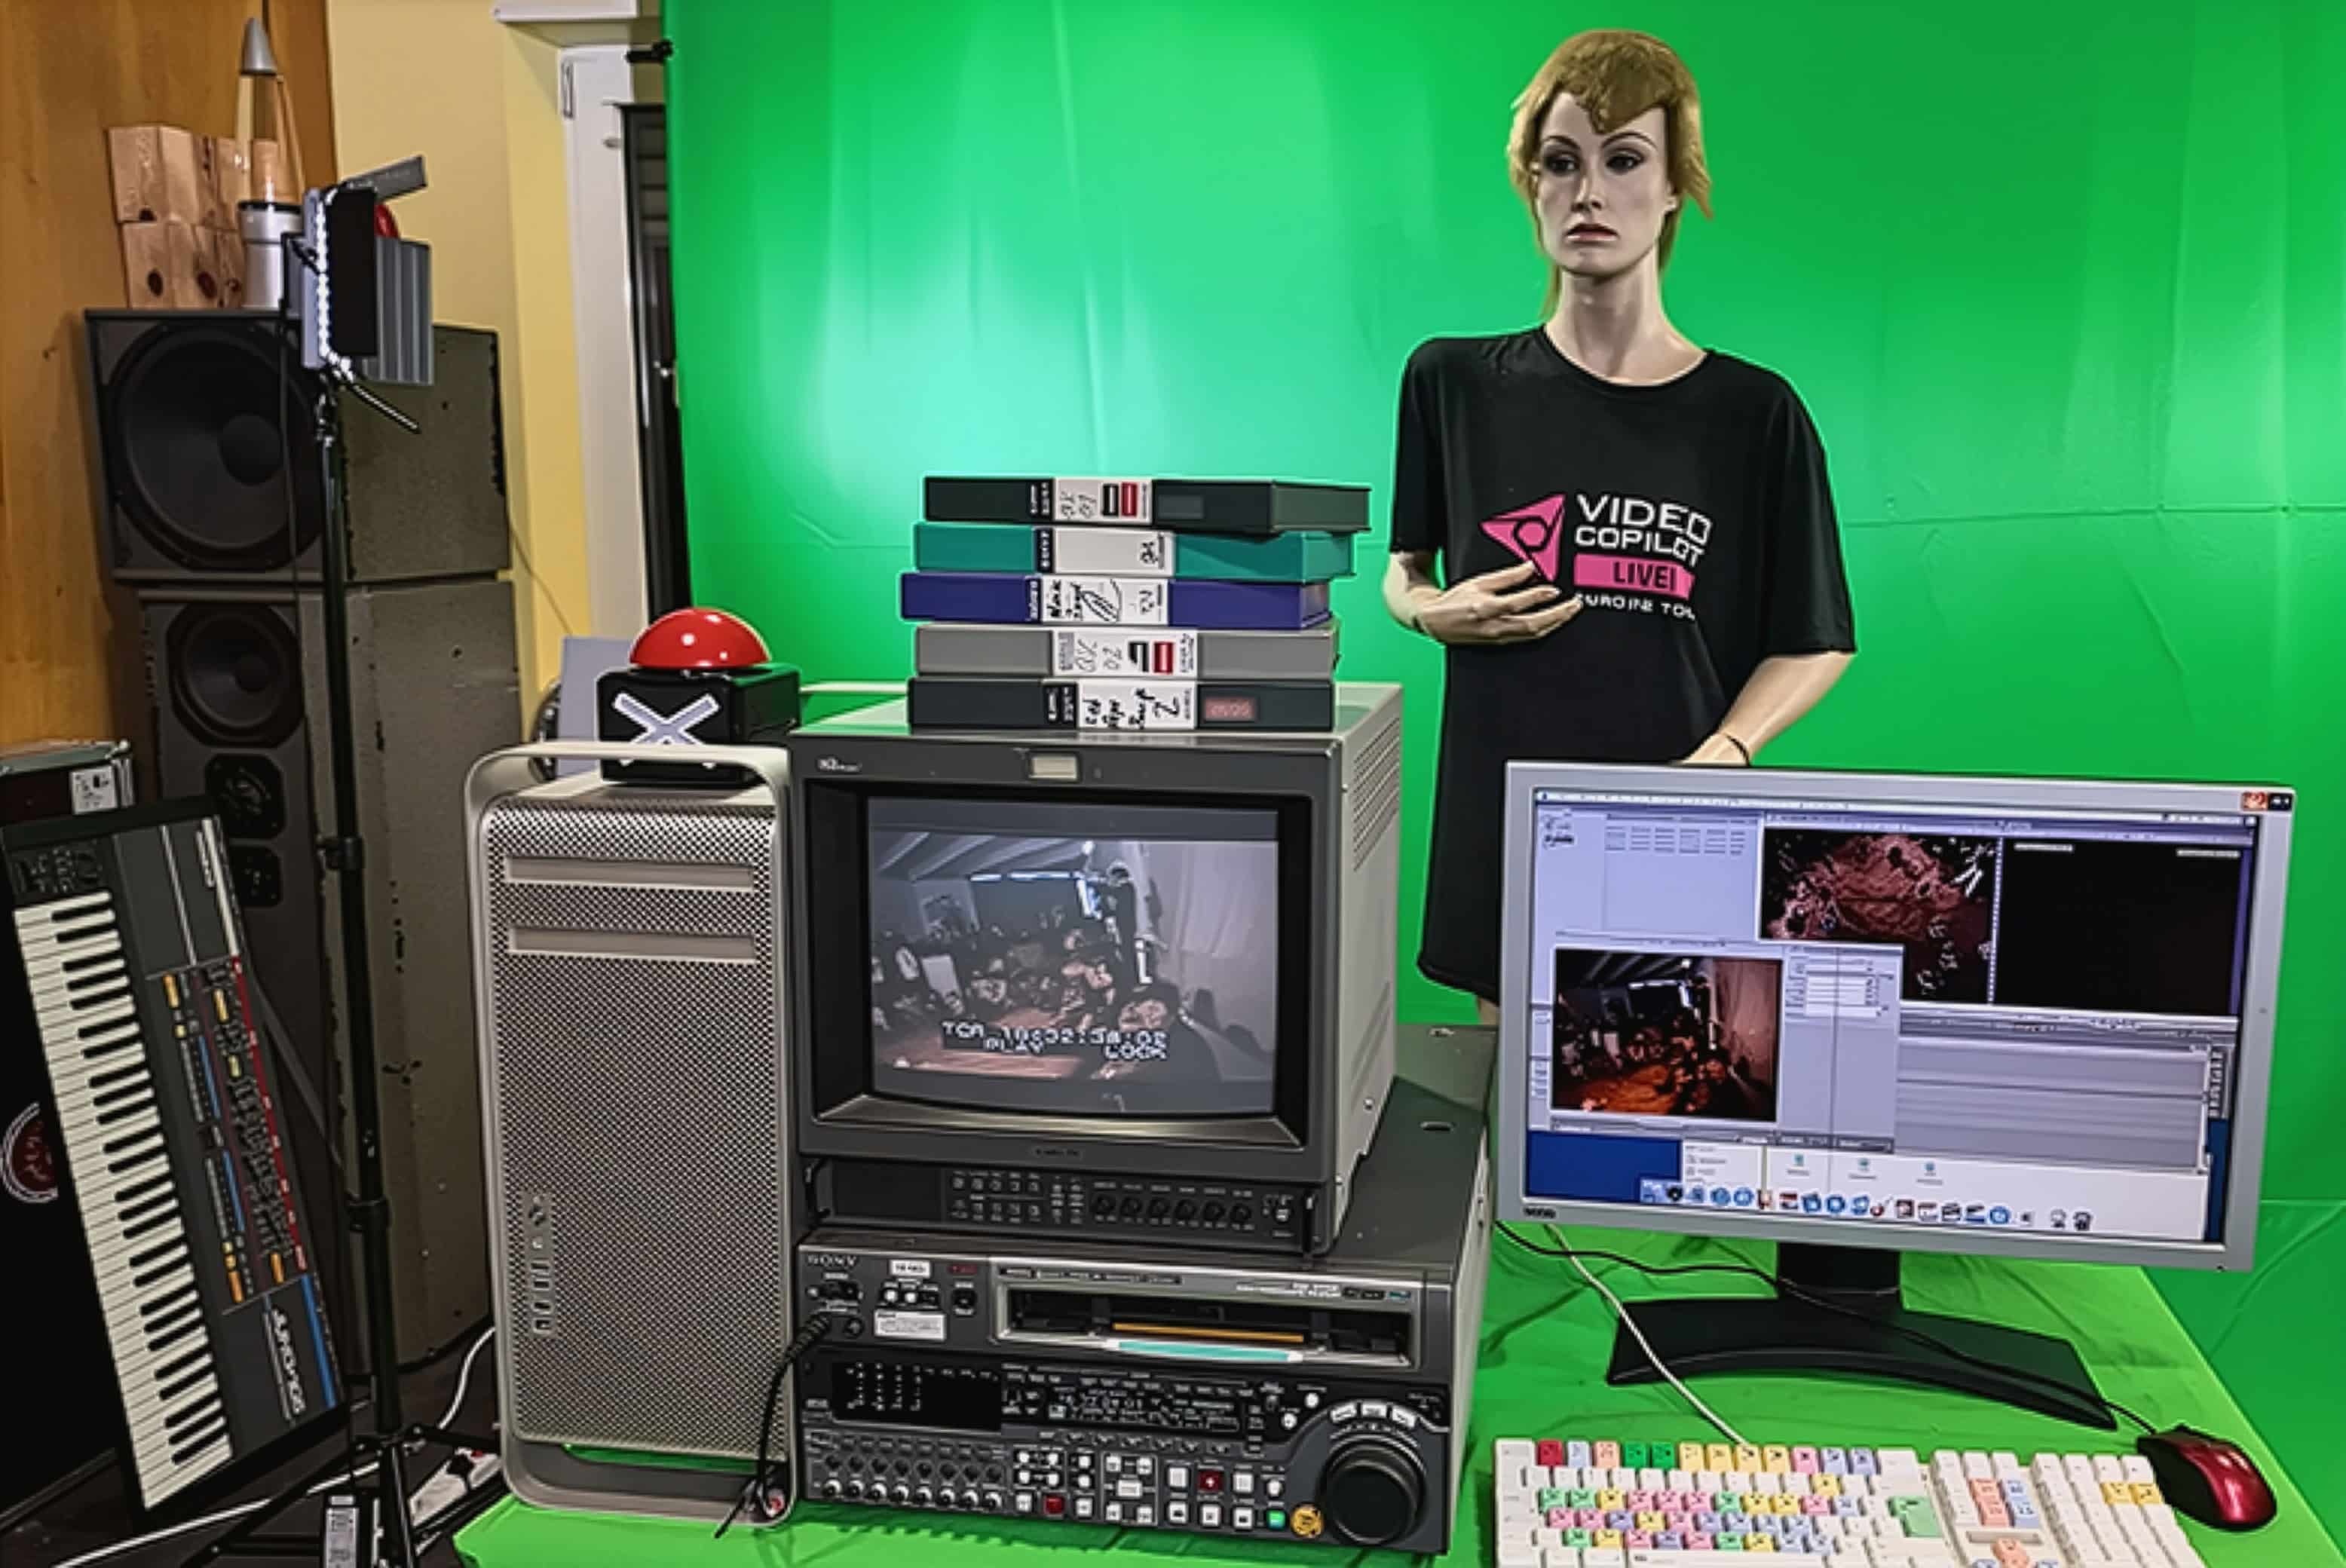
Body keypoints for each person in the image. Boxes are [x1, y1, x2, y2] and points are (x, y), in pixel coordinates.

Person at [1384, 30, 1857, 1018]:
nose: (1588, 191)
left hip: (1675, 822)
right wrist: (1429, 612)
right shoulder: (1454, 384)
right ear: (1530, 184)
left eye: (1623, 160)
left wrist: (1724, 757)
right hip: (1505, 810)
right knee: (1506, 1115)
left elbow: (1816, 640)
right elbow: (1404, 570)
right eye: (1561, 163)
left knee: (1681, 1084)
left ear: (1676, 187)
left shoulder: (1753, 414)